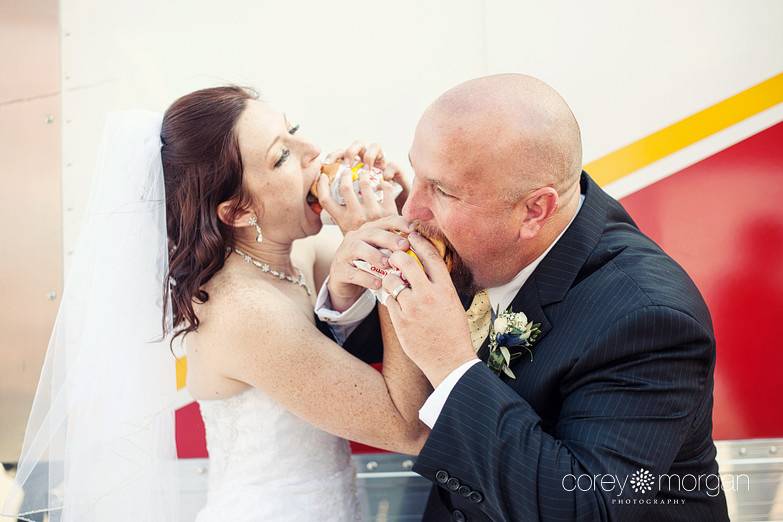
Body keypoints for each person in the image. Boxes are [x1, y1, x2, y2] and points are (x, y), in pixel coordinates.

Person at [8, 86, 431, 522]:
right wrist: (387, 242)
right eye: (281, 156)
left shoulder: (297, 257)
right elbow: (408, 428)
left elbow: (363, 307)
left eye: (294, 131)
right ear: (238, 211)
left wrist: (396, 207)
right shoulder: (245, 312)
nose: (312, 152)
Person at [320, 74, 731, 521]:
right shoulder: (481, 244)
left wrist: (453, 366)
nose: (412, 209)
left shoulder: (649, 318)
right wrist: (350, 294)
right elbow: (396, 352)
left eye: (442, 190)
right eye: (417, 174)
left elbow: (581, 509)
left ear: (535, 210)